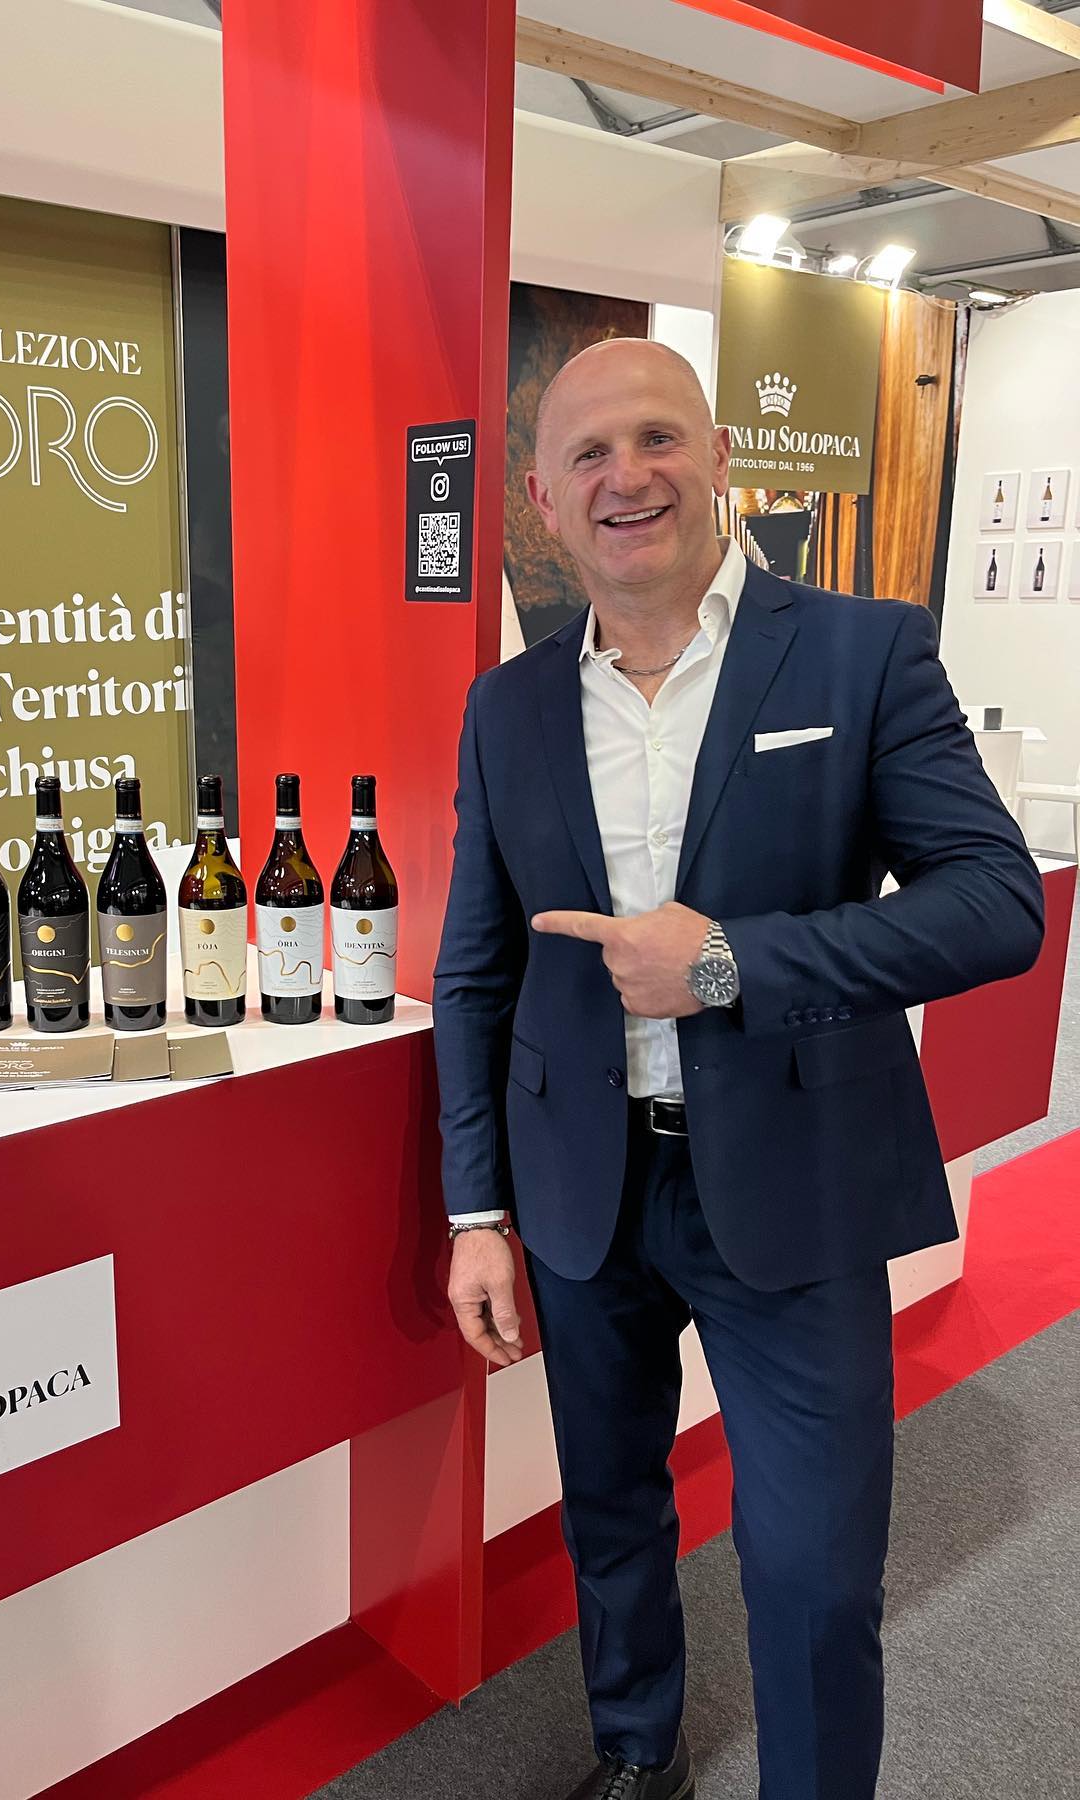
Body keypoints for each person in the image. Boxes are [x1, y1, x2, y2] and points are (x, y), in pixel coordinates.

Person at [432, 339, 1044, 1800]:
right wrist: (475, 1211)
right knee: (612, 1513)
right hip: (583, 1193)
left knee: (816, 1568)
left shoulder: (859, 651)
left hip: (793, 1180)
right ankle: (637, 1749)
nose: (626, 477)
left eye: (657, 439)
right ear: (542, 502)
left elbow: (994, 902)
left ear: (716, 458)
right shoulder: (510, 706)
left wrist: (728, 965)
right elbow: (477, 972)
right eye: (587, 455)